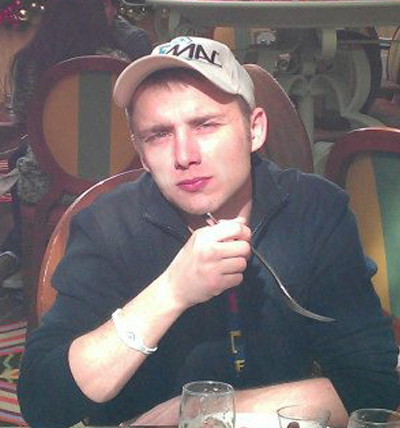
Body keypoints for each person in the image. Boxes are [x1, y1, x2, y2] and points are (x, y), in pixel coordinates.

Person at [17, 36, 400, 428]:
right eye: (159, 134)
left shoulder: (314, 209)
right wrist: (171, 292)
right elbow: (44, 403)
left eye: (205, 125)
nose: (185, 156)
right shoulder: (109, 225)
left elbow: (375, 388)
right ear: (142, 152)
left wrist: (199, 409)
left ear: (255, 129)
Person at [0, 0, 152, 289]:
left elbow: (22, 117)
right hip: (114, 183)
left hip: (48, 188)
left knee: (22, 157)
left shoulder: (29, 61)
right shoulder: (120, 63)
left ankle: (27, 268)